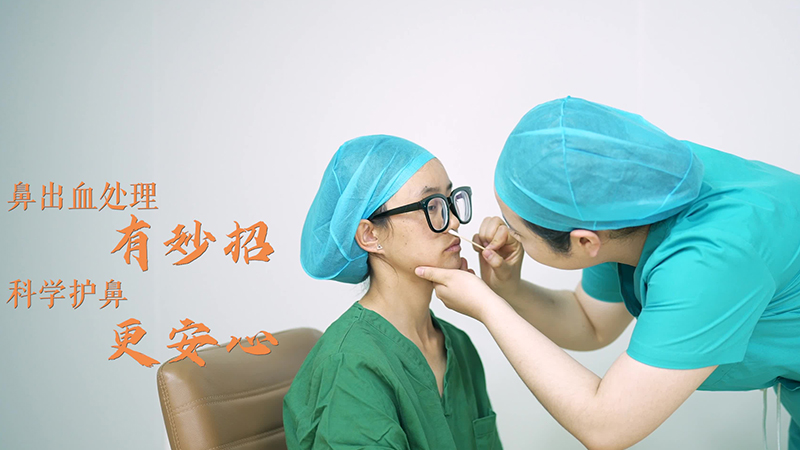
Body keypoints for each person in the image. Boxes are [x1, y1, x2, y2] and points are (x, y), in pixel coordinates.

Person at [414, 97, 800, 449]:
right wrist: (509, 290)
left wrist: (488, 308)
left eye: (519, 232)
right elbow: (591, 322)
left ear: (585, 242)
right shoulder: (624, 192)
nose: (508, 235)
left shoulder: (710, 260)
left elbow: (606, 427)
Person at [283, 135, 502, 450]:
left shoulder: (460, 345)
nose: (453, 221)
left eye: (450, 200)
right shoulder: (350, 364)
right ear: (370, 236)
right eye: (432, 206)